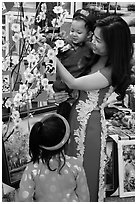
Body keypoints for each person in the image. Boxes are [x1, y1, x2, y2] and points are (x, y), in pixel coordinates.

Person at [56, 15, 134, 201]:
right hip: (75, 118)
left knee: (85, 170)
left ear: (113, 46)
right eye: (93, 37)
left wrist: (52, 56)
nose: (93, 42)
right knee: (71, 167)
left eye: (98, 40)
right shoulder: (95, 54)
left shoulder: (110, 71)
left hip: (89, 126)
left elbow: (73, 82)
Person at [15, 113, 90, 202]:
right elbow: (84, 197)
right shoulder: (75, 165)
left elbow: (24, 199)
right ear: (67, 140)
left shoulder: (32, 168)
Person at [53, 8, 95, 120]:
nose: (74, 35)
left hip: (76, 93)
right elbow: (50, 63)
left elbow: (90, 70)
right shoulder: (63, 43)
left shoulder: (90, 49)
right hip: (59, 90)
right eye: (72, 30)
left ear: (89, 34)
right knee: (62, 121)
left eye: (79, 32)